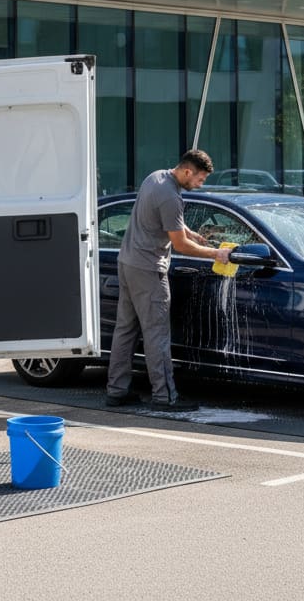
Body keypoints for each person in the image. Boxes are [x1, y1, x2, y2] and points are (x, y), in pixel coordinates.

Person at [105, 148, 233, 412]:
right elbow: (180, 246)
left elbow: (163, 218)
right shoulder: (171, 196)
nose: (200, 184)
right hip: (149, 270)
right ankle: (165, 396)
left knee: (125, 330)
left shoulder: (155, 178)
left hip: (127, 263)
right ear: (187, 171)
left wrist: (189, 231)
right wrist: (216, 254)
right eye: (200, 179)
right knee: (157, 334)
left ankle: (116, 391)